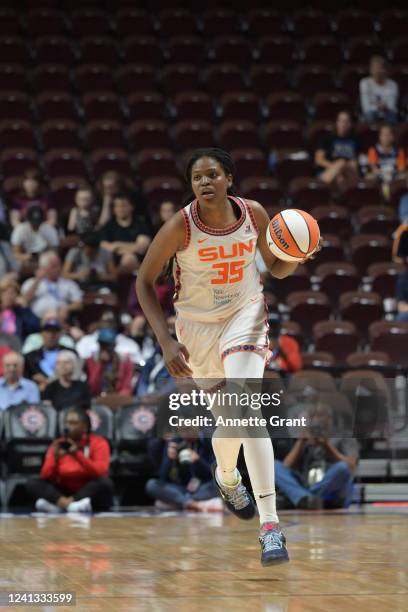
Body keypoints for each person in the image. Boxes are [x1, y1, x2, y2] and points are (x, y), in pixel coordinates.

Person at [136, 147, 321, 566]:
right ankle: (226, 476)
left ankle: (270, 526)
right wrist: (165, 341)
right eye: (197, 177)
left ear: (229, 179)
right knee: (232, 421)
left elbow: (274, 267)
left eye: (212, 175)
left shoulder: (253, 213)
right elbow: (144, 282)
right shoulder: (179, 227)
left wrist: (296, 253)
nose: (204, 182)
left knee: (246, 409)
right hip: (196, 329)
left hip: (245, 316)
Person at [25, 406, 113, 513]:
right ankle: (67, 504)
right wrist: (55, 459)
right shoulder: (58, 444)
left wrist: (77, 454)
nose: (67, 427)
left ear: (85, 427)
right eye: (66, 423)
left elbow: (100, 472)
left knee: (104, 483)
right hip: (64, 489)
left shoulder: (99, 443)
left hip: (86, 488)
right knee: (32, 483)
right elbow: (45, 475)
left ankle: (65, 505)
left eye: (73, 423)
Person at [275, 403, 359, 509]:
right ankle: (306, 499)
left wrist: (327, 445)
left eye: (320, 415)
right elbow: (285, 467)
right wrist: (301, 441)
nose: (316, 419)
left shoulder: (345, 436)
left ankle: (304, 498)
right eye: (312, 416)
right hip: (306, 483)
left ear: (330, 418)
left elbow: (351, 466)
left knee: (342, 468)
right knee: (274, 466)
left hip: (333, 491)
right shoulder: (301, 437)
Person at [146, 422, 220, 512]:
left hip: (203, 486)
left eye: (188, 429)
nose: (185, 434)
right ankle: (193, 503)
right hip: (182, 487)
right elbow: (163, 478)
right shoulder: (175, 442)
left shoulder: (209, 440)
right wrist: (169, 460)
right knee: (152, 484)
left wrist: (198, 461)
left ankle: (181, 502)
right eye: (181, 430)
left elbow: (214, 474)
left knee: (219, 484)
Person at [21, 251, 83, 319]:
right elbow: (25, 301)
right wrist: (38, 280)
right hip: (37, 321)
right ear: (44, 268)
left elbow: (79, 304)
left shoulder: (68, 283)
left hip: (61, 318)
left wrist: (66, 308)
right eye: (54, 266)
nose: (58, 269)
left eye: (59, 265)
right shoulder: (31, 282)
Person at [99, 194, 152, 273]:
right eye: (117, 206)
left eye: (123, 205)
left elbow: (141, 247)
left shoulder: (140, 224)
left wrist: (116, 245)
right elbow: (104, 247)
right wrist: (131, 247)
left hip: (137, 260)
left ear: (131, 207)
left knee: (128, 259)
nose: (120, 209)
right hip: (113, 261)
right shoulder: (109, 225)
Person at [24, 318, 76, 392]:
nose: (51, 335)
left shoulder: (71, 353)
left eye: (55, 332)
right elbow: (26, 379)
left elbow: (77, 375)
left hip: (67, 392)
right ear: (41, 334)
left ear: (60, 334)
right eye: (48, 331)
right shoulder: (30, 357)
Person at [315, 111, 360, 192]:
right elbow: (319, 160)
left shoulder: (355, 141)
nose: (343, 124)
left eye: (346, 121)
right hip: (328, 172)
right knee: (340, 164)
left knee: (346, 166)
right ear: (337, 122)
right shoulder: (327, 139)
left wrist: (342, 168)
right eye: (341, 120)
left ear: (350, 124)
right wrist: (337, 168)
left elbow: (354, 164)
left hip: (347, 173)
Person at [85, 328, 134, 397]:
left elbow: (127, 386)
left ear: (114, 345)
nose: (105, 348)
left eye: (108, 345)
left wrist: (117, 399)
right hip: (96, 399)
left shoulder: (124, 361)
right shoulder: (91, 360)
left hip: (117, 399)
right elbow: (92, 387)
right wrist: (100, 364)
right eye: (102, 345)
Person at [366, 125, 406, 199]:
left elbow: (401, 168)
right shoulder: (373, 150)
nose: (386, 137)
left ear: (393, 137)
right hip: (379, 174)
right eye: (384, 134)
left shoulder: (399, 150)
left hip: (394, 175)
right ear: (380, 136)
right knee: (369, 177)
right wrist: (384, 174)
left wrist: (392, 173)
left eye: (388, 134)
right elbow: (373, 168)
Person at [360, 56, 399, 124]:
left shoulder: (392, 84)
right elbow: (366, 107)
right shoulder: (365, 83)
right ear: (371, 70)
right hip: (370, 113)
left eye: (380, 68)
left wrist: (383, 107)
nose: (378, 71)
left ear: (385, 70)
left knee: (392, 116)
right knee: (369, 115)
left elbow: (391, 106)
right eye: (375, 68)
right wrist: (378, 107)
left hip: (388, 113)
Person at [0, 277, 39, 343]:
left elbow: (34, 327)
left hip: (16, 347)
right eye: (6, 293)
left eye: (12, 293)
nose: (9, 296)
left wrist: (25, 306)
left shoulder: (21, 312)